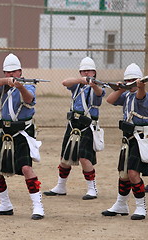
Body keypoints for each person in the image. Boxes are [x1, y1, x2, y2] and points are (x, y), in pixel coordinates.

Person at [0, 53, 44, 220]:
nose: (11, 75)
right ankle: (5, 204)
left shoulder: (28, 86)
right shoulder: (2, 85)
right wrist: (6, 81)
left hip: (22, 132)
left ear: (20, 72)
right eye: (8, 72)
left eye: (14, 72)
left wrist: (20, 86)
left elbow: (29, 99)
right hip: (4, 132)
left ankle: (38, 205)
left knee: (26, 168)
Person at [43, 56, 105, 200]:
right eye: (84, 71)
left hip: (87, 125)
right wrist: (81, 81)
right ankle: (61, 186)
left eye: (89, 71)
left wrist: (93, 84)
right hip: (73, 124)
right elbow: (65, 82)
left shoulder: (98, 87)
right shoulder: (77, 85)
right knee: (65, 157)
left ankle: (92, 188)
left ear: (94, 72)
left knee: (84, 157)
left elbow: (98, 94)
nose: (87, 73)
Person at [101, 63, 147, 220]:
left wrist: (140, 86)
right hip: (128, 138)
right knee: (124, 174)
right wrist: (121, 88)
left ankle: (141, 207)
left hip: (140, 138)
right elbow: (109, 100)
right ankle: (121, 204)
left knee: (134, 173)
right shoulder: (126, 95)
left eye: (133, 80)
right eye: (128, 80)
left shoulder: (143, 95)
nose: (131, 83)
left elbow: (140, 96)